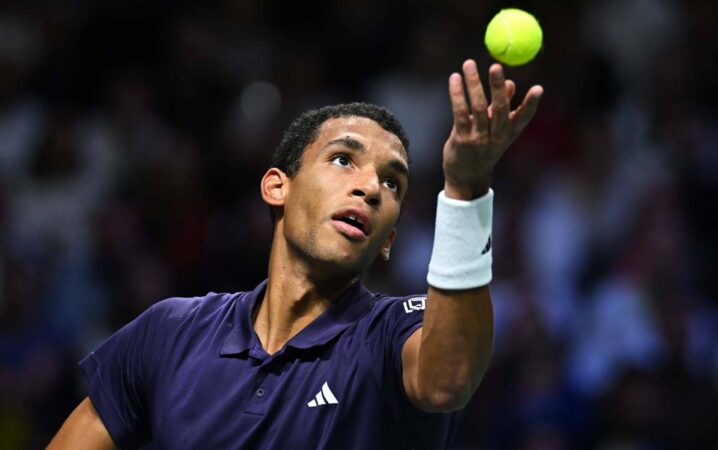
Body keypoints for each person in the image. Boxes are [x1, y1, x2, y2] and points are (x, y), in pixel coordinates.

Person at [48, 59, 543, 449]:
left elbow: (447, 382)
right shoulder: (171, 333)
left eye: (392, 182)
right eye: (343, 159)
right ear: (276, 187)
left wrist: (467, 188)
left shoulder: (393, 335)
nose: (370, 187)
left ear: (388, 240)